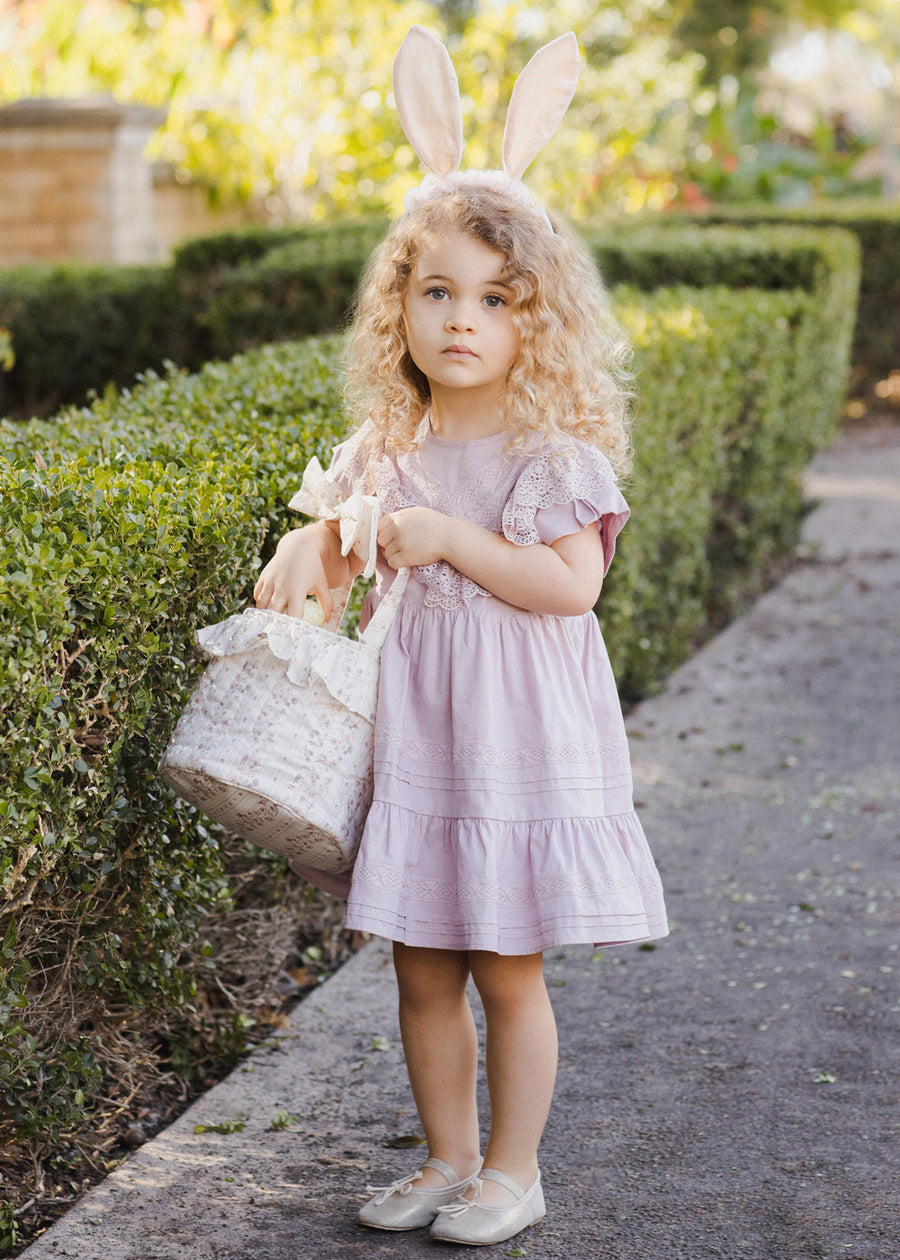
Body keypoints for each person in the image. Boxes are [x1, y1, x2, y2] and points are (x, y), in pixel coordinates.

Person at [253, 25, 668, 1248]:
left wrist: (446, 541)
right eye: (436, 292)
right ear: (402, 307)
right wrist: (310, 549)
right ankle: (443, 1158)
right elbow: (345, 535)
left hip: (518, 740)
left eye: (495, 299)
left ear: (537, 321)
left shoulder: (556, 455)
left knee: (506, 967)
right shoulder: (389, 450)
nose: (461, 319)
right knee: (421, 964)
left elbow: (568, 588)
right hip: (424, 738)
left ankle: (512, 1169)